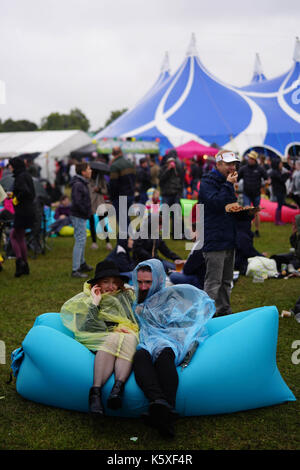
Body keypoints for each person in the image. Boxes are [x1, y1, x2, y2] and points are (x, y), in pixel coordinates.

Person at [132, 259, 215, 438]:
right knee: (140, 357)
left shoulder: (171, 295)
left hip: (171, 339)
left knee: (164, 356)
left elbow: (184, 320)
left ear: (159, 279)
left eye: (148, 282)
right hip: (147, 340)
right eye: (140, 282)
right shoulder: (134, 298)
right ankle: (160, 404)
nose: (144, 286)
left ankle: (163, 407)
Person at [60, 260, 139, 415]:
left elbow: (135, 319)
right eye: (105, 282)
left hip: (127, 335)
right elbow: (87, 327)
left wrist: (125, 328)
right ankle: (95, 394)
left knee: (128, 338)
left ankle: (117, 390)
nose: (111, 286)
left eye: (114, 282)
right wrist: (95, 304)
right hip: (101, 337)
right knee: (113, 338)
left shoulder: (126, 297)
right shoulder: (88, 299)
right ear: (97, 284)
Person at [198, 149, 241, 316]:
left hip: (228, 236)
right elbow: (216, 203)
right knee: (213, 282)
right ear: (218, 164)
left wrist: (244, 214)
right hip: (214, 237)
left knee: (226, 281)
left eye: (234, 164)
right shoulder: (208, 181)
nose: (232, 167)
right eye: (229, 164)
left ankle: (224, 312)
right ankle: (205, 316)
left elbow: (228, 207)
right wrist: (229, 185)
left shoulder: (226, 182)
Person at [8, 157, 36, 277]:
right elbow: (30, 192)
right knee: (20, 237)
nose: (9, 167)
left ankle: (20, 262)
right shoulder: (26, 175)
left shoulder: (20, 177)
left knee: (13, 235)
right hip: (29, 210)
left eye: (10, 165)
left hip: (22, 211)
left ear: (15, 166)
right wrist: (14, 194)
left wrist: (15, 198)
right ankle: (25, 265)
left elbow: (25, 192)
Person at [237, 150, 269, 237]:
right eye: (249, 158)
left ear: (255, 159)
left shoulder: (260, 169)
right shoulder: (243, 168)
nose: (249, 160)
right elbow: (237, 179)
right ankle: (247, 230)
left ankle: (257, 230)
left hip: (256, 194)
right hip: (246, 194)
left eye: (251, 158)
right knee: (247, 211)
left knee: (256, 212)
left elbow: (267, 178)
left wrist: (265, 185)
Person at [70, 162, 93, 278]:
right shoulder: (78, 185)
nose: (91, 171)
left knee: (82, 239)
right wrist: (86, 211)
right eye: (89, 169)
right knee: (80, 240)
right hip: (79, 215)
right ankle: (75, 269)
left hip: (81, 215)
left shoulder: (81, 183)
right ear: (83, 172)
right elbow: (77, 202)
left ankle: (82, 263)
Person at [108, 146, 136, 234]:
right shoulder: (130, 163)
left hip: (120, 196)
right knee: (125, 218)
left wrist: (111, 198)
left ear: (112, 154)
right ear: (121, 152)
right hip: (130, 194)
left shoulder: (114, 166)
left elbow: (113, 184)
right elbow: (135, 179)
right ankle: (130, 240)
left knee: (122, 221)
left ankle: (126, 242)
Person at [159, 151, 184, 238]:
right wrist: (168, 169)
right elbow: (161, 180)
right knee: (165, 214)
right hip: (166, 194)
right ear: (167, 162)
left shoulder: (177, 169)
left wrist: (180, 193)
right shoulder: (163, 169)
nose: (172, 163)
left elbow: (181, 181)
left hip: (175, 194)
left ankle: (176, 233)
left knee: (176, 214)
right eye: (170, 162)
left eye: (173, 161)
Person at [88, 167, 112, 251]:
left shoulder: (101, 179)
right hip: (90, 203)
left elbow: (105, 191)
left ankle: (108, 242)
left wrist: (99, 190)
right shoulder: (87, 180)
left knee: (103, 223)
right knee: (91, 224)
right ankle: (94, 242)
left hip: (100, 203)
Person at [269, 158, 291, 225]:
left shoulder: (276, 171)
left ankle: (278, 220)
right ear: (277, 164)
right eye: (280, 163)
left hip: (279, 190)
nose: (281, 165)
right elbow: (282, 179)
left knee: (280, 205)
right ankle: (277, 220)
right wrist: (288, 174)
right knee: (279, 205)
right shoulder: (275, 172)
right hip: (279, 191)